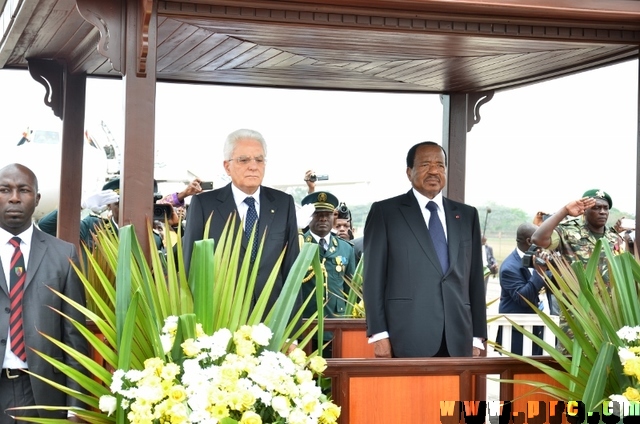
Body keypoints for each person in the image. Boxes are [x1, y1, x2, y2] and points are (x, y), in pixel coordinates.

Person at [363, 141, 487, 358]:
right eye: (425, 165)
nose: (433, 171)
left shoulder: (467, 216)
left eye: (440, 165)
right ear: (409, 172)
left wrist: (477, 336)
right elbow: (373, 279)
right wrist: (379, 334)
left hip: (458, 337)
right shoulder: (386, 212)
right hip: (407, 335)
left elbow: (475, 278)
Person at [0, 163, 88, 422]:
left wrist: (76, 407)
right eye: (5, 190)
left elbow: (74, 336)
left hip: (44, 393)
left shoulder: (63, 254)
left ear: (37, 198)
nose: (14, 198)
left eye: (23, 190)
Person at [182, 129, 301, 317]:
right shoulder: (204, 205)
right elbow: (190, 268)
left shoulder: (283, 204)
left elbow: (292, 268)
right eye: (243, 160)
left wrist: (291, 328)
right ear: (227, 166)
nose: (253, 166)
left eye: (259, 160)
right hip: (221, 319)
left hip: (271, 319)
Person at [299, 191, 356, 357]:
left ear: (333, 217)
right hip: (306, 326)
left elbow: (351, 290)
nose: (323, 219)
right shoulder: (298, 245)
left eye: (327, 214)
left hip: (337, 324)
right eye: (317, 214)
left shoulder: (346, 248)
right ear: (309, 217)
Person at [530, 189, 624, 284]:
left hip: (609, 293)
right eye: (596, 208)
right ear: (584, 211)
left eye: (606, 208)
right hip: (578, 293)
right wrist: (565, 210)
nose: (602, 212)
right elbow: (538, 239)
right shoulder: (567, 231)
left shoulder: (614, 237)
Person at [497, 223, 549, 355]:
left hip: (537, 330)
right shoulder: (509, 267)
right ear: (529, 241)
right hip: (516, 335)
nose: (544, 242)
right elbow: (524, 299)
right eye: (541, 238)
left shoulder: (536, 258)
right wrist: (539, 273)